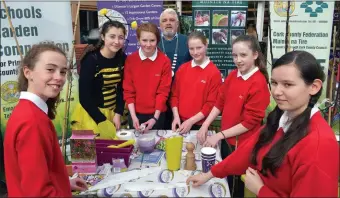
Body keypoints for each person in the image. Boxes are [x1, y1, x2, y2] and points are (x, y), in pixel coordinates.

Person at [187, 51, 339, 197]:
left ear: (314, 87)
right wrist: (210, 174)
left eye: (287, 84)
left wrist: (261, 190)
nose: (277, 91)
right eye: (274, 83)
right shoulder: (283, 117)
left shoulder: (319, 145)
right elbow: (248, 150)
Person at [4, 43, 88, 196]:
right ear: (28, 72)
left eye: (63, 72)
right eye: (50, 69)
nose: (59, 77)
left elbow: (34, 173)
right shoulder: (32, 122)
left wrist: (64, 182)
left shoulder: (27, 111)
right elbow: (38, 192)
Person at [197, 35, 270, 197]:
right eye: (235, 55)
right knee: (225, 180)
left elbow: (250, 122)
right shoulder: (233, 75)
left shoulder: (259, 83)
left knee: (236, 187)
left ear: (255, 55)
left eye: (243, 55)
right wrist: (205, 124)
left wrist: (219, 135)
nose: (238, 60)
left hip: (242, 146)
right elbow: (219, 102)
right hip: (226, 141)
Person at [71, 20, 128, 139]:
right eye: (112, 36)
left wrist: (118, 112)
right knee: (86, 156)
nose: (116, 41)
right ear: (103, 37)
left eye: (121, 37)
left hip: (114, 114)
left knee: (115, 154)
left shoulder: (123, 58)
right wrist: (102, 120)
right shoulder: (90, 60)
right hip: (90, 114)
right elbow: (84, 97)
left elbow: (122, 89)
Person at [170, 31, 222, 133]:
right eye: (191, 49)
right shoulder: (182, 69)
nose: (195, 52)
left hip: (200, 125)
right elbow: (174, 95)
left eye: (199, 48)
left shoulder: (214, 73)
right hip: (179, 122)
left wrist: (191, 121)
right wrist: (176, 117)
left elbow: (210, 104)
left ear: (206, 45)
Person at [123, 22, 172, 131]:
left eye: (152, 40)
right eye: (144, 40)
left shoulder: (164, 61)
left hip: (157, 115)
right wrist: (133, 116)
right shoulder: (131, 60)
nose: (148, 44)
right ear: (138, 39)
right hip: (135, 114)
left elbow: (163, 92)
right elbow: (128, 91)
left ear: (157, 40)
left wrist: (155, 118)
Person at [158, 8, 192, 130]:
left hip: (182, 94)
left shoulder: (187, 41)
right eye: (164, 20)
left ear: (177, 24)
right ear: (160, 24)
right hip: (160, 95)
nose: (168, 23)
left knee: (181, 129)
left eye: (172, 20)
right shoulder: (153, 42)